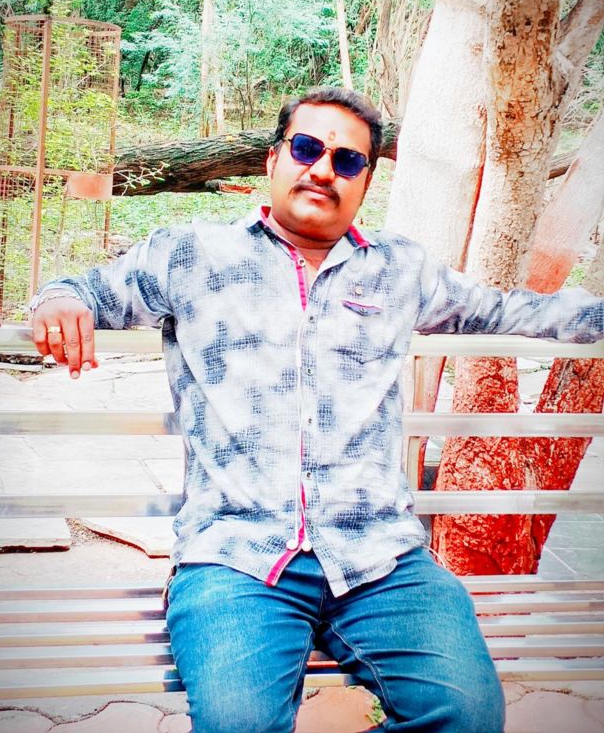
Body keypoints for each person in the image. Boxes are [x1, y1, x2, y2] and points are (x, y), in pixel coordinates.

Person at [30, 87, 604, 733]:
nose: (323, 169)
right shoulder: (191, 255)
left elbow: (508, 309)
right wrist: (58, 300)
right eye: (307, 148)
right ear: (274, 159)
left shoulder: (399, 269)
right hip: (238, 559)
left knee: (467, 716)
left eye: (347, 160)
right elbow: (84, 288)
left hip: (381, 558)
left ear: (366, 179)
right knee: (239, 726)